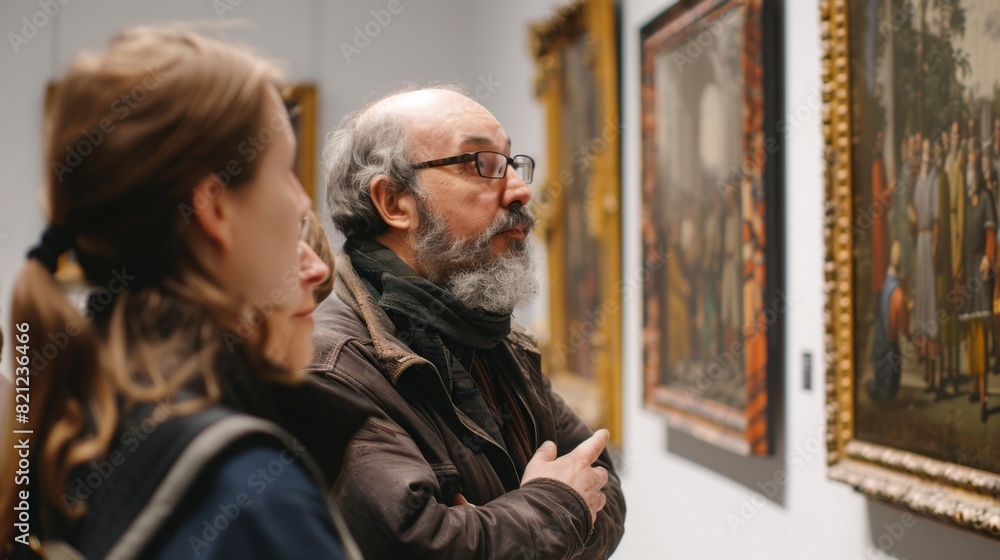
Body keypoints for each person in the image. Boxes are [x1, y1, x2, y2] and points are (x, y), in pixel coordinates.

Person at [1, 26, 368, 559]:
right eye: (284, 171)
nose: (300, 200)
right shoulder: (250, 498)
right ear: (217, 208)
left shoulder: (79, 431)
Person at [312, 86, 625, 559]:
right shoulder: (333, 365)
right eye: (480, 163)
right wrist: (558, 506)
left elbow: (605, 490)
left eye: (511, 163)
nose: (520, 190)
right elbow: (420, 546)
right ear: (394, 202)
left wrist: (498, 522)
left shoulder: (496, 339)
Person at [870, 241, 907, 403]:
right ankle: (885, 393)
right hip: (889, 345)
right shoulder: (897, 292)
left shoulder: (887, 284)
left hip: (882, 342)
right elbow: (902, 324)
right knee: (889, 384)